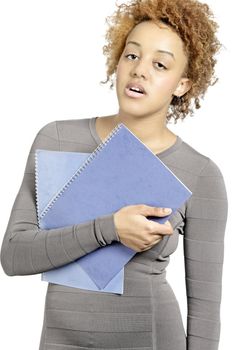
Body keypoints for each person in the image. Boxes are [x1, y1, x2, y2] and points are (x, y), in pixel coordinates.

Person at [0, 0, 228, 349]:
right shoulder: (58, 139)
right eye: (132, 56)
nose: (139, 71)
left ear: (182, 85)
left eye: (160, 64)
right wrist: (110, 229)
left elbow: (206, 311)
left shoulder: (200, 174)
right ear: (118, 62)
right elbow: (13, 256)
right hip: (61, 340)